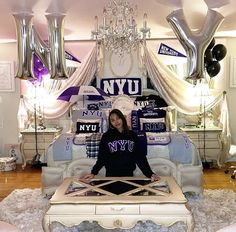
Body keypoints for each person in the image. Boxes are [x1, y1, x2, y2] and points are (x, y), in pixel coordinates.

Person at [81, 109, 160, 182]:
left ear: (122, 118)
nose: (116, 122)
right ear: (110, 123)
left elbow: (140, 157)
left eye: (118, 118)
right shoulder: (106, 136)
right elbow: (102, 157)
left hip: (129, 177)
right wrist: (93, 173)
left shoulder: (132, 135)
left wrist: (150, 174)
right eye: (112, 120)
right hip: (110, 178)